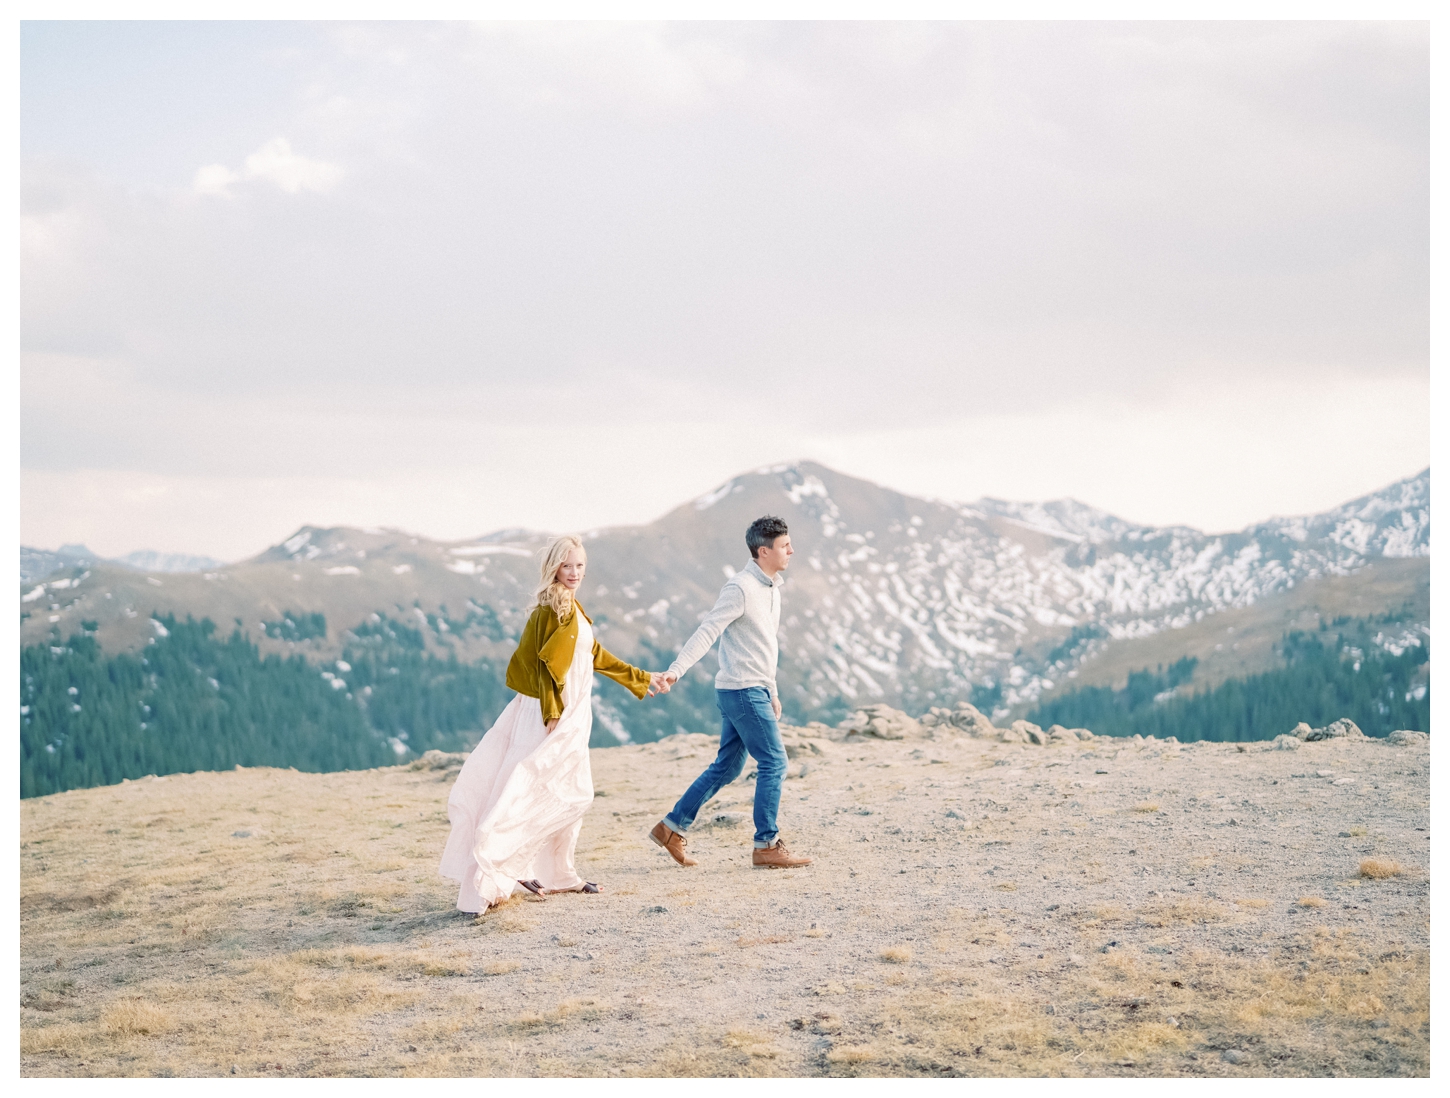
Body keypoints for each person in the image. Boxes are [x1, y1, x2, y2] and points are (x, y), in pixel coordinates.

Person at [439, 535, 670, 911]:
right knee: (544, 788)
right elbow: (541, 666)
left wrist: (645, 678)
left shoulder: (574, 609)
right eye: (567, 566)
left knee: (565, 791)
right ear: (553, 569)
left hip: (573, 713)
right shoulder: (550, 609)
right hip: (553, 715)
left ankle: (558, 873)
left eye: (579, 565)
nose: (574, 572)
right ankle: (499, 863)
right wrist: (550, 712)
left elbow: (595, 655)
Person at [648, 515, 812, 870]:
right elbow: (708, 631)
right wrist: (676, 671)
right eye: (785, 546)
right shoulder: (739, 588)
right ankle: (766, 844)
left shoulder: (772, 589)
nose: (791, 551)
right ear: (763, 550)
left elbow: (765, 645)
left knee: (727, 767)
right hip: (742, 690)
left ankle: (671, 828)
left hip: (751, 688)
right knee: (774, 761)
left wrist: (773, 688)